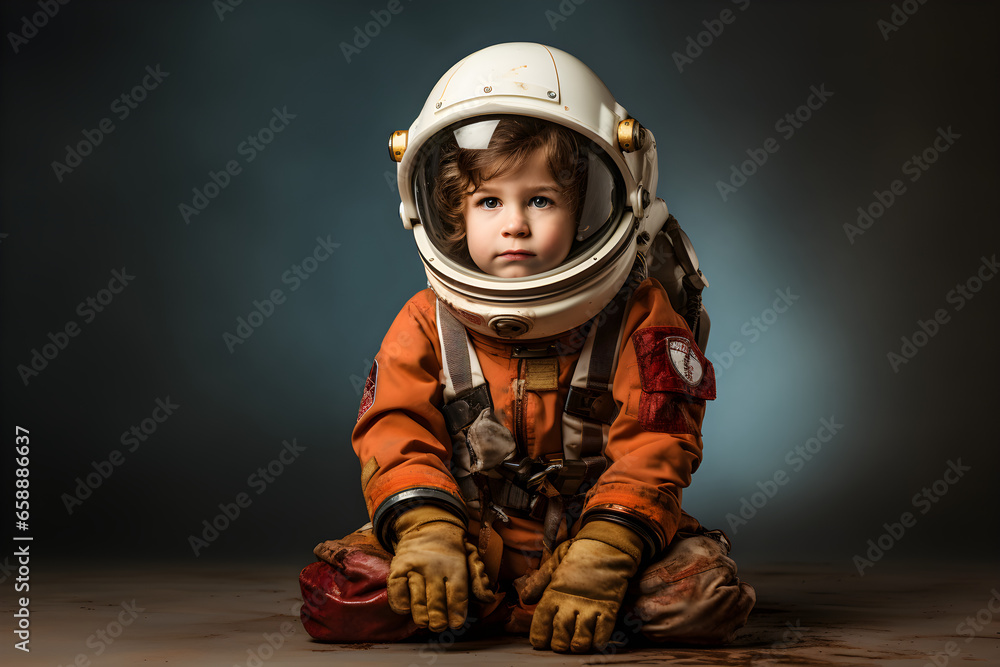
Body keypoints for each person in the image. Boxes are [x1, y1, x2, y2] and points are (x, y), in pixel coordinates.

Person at [299, 42, 755, 654]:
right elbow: (395, 427)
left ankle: (541, 600)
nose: (514, 222)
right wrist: (427, 530)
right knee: (342, 596)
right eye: (490, 201)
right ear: (452, 214)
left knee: (702, 600)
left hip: (598, 530)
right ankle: (493, 594)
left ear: (592, 206)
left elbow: (657, 441)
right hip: (469, 532)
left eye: (540, 199)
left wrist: (606, 552)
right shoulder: (427, 320)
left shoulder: (639, 314)